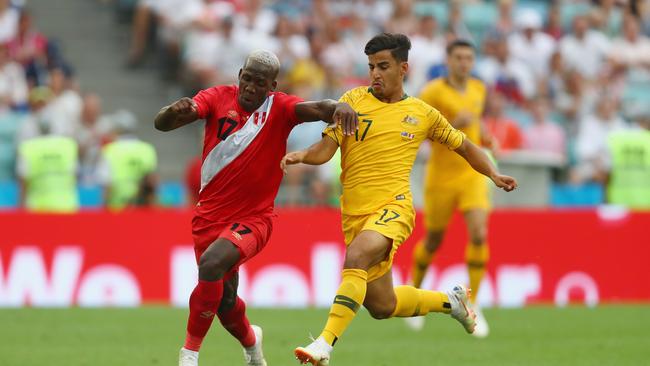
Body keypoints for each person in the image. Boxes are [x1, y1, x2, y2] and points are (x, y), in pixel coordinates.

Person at [282, 33, 517, 365]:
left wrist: (492, 173)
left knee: (357, 256)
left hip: (394, 208)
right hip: (354, 214)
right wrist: (302, 154)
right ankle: (452, 302)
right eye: (370, 67)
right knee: (382, 306)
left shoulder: (421, 113)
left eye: (383, 66)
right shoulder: (352, 101)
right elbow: (326, 149)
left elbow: (464, 145)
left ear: (403, 68)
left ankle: (324, 344)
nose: (375, 73)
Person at [154, 49, 357, 366]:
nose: (250, 87)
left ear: (271, 86)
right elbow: (163, 124)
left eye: (259, 82)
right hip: (208, 218)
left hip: (254, 219)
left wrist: (338, 107)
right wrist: (173, 110)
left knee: (210, 265)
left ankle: (189, 355)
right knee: (225, 301)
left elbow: (317, 108)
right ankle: (252, 346)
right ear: (239, 76)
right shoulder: (217, 97)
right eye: (247, 79)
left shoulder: (281, 109)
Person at [406, 39, 493, 337]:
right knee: (433, 240)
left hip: (471, 175)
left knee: (480, 233)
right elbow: (418, 132)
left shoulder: (479, 89)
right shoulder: (432, 92)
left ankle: (475, 303)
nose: (464, 63)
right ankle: (414, 294)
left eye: (469, 58)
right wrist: (455, 123)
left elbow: (478, 126)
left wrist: (486, 136)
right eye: (458, 57)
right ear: (448, 60)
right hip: (441, 178)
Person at [97, 110, 158, 210]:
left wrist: (104, 209)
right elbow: (152, 182)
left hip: (117, 209)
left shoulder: (110, 150)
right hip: (142, 209)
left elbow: (107, 185)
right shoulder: (147, 149)